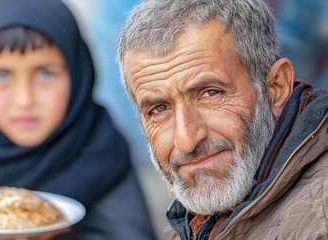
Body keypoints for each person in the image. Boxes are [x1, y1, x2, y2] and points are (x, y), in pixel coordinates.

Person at [0, 0, 156, 239]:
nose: (24, 100)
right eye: (1, 76)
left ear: (77, 73)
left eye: (45, 73)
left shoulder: (97, 145)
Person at [117, 0, 328, 239]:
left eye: (211, 93)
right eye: (159, 109)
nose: (186, 140)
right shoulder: (195, 218)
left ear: (276, 87)